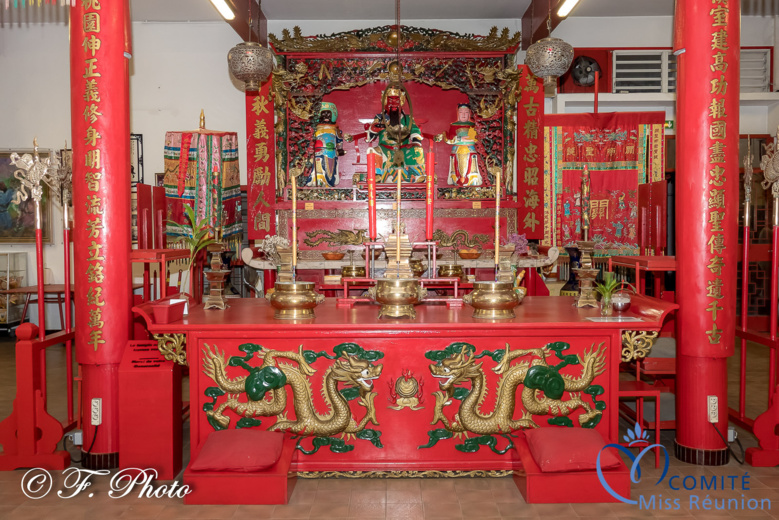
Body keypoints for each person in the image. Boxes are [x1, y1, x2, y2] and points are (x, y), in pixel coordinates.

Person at [366, 83, 425, 183]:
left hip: (404, 148)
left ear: (401, 101)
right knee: (372, 150)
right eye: (390, 100)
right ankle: (378, 174)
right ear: (385, 101)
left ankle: (417, 174)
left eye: (396, 100)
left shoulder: (407, 119)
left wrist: (415, 142)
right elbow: (370, 137)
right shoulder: (380, 118)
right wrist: (373, 130)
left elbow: (415, 131)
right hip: (385, 148)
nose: (393, 103)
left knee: (417, 149)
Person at [436, 104, 482, 187]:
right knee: (457, 170)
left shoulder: (473, 125)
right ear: (458, 114)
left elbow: (477, 138)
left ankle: (472, 184)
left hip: (470, 150)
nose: (463, 115)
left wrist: (471, 139)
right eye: (461, 112)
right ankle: (458, 185)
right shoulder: (454, 125)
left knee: (471, 169)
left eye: (466, 112)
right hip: (457, 150)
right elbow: (450, 138)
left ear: (469, 114)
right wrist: (461, 139)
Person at [307, 102, 345, 187]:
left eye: (329, 114)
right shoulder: (315, 128)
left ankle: (329, 184)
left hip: (331, 152)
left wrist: (340, 149)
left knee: (330, 171)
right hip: (319, 152)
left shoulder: (335, 129)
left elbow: (339, 140)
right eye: (323, 114)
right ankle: (318, 184)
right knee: (319, 169)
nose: (326, 117)